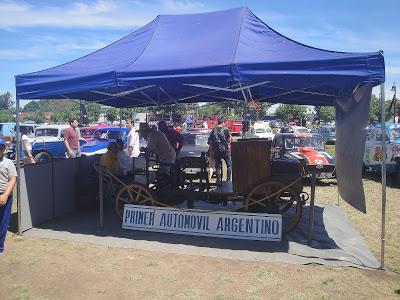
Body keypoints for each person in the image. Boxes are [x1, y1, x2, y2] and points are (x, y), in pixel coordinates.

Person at [0, 139, 17, 254]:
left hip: (4, 196)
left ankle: (0, 246)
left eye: (1, 147)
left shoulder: (8, 163)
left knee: (3, 223)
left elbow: (12, 180)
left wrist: (5, 195)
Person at [208, 119, 232, 185]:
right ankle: (228, 180)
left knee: (217, 166)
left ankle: (218, 180)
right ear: (223, 123)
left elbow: (210, 142)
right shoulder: (226, 130)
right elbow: (229, 140)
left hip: (216, 150)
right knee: (229, 165)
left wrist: (211, 151)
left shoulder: (213, 130)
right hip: (225, 151)